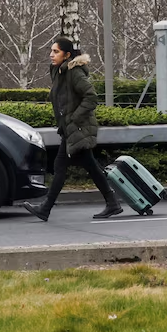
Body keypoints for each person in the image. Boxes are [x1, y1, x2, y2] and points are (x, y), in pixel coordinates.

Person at [22, 36, 123, 221]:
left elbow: (91, 97)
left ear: (67, 55)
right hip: (71, 129)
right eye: (51, 51)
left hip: (77, 129)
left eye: (56, 52)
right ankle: (113, 203)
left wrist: (74, 119)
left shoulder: (74, 72)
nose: (51, 55)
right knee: (90, 166)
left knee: (60, 167)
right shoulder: (59, 72)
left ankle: (45, 208)